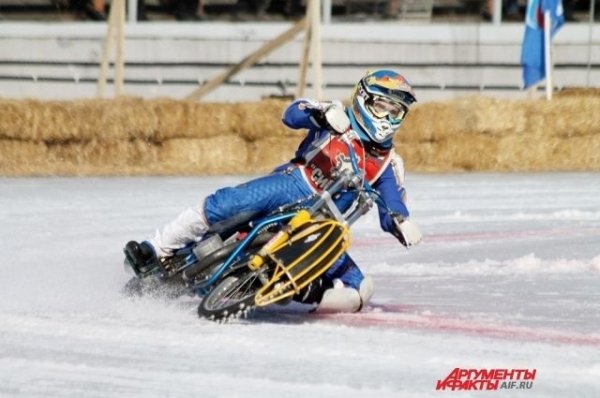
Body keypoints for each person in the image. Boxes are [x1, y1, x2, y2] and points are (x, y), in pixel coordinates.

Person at [125, 69, 423, 313]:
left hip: (324, 224)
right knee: (227, 202)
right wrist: (321, 115)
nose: (386, 117)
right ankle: (157, 247)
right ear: (362, 99)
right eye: (380, 106)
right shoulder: (338, 118)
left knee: (360, 290)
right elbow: (292, 114)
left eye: (395, 111)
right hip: (295, 183)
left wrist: (400, 221)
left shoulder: (389, 163)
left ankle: (298, 293)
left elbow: (391, 201)